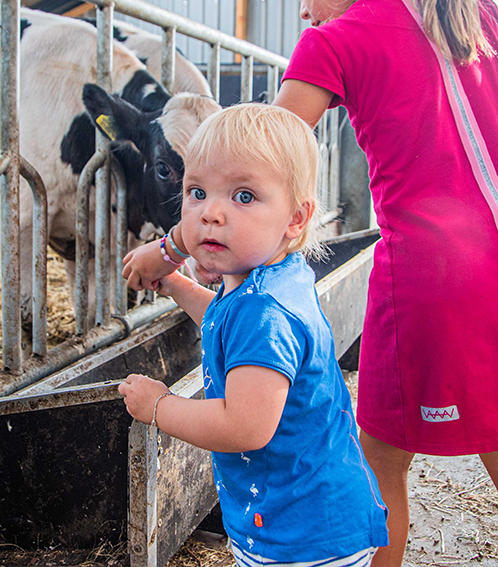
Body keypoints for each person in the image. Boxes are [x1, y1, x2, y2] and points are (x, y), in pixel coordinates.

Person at [122, 0, 498, 566]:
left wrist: (172, 249)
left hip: (427, 275)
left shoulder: (337, 40)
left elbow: (248, 169)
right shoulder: (476, 9)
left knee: (378, 460)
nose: (304, 12)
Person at [119, 103, 389, 567]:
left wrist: (160, 407)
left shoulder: (265, 313)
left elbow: (244, 426)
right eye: (197, 191)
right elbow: (228, 323)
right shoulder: (271, 275)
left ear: (296, 219)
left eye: (243, 196)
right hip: (308, 516)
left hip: (301, 537)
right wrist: (178, 284)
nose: (211, 214)